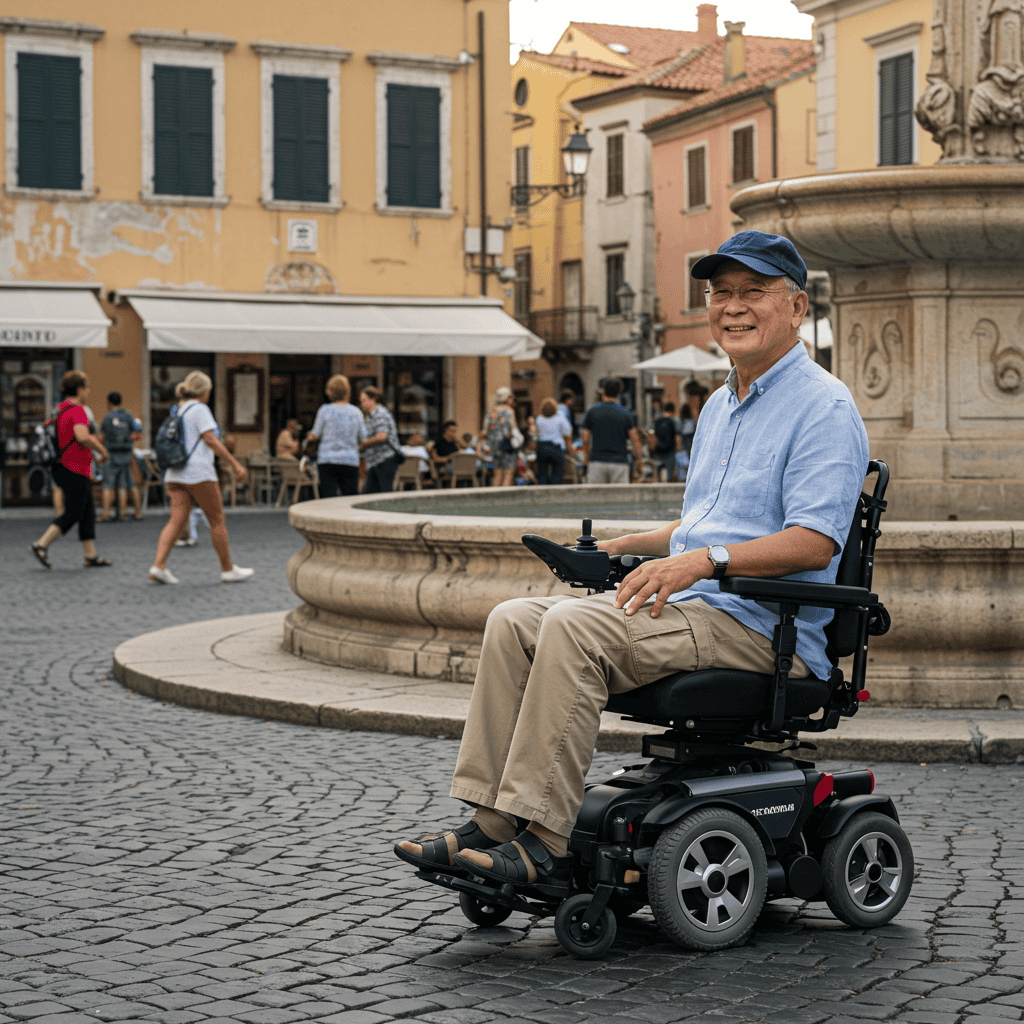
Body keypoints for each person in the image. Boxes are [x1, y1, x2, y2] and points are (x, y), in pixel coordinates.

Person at [395, 230, 870, 892]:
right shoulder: (720, 405)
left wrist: (701, 562)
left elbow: (814, 542)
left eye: (752, 292)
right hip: (700, 607)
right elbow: (708, 525)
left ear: (796, 307)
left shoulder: (824, 405)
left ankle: (545, 843)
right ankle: (493, 821)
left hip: (762, 627)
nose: (732, 306)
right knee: (513, 618)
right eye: (720, 292)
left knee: (572, 627)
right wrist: (623, 549)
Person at [148, 371, 252, 585]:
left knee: (176, 520)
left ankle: (159, 565)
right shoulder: (200, 409)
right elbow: (211, 440)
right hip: (198, 473)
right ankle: (227, 569)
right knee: (217, 520)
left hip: (175, 472)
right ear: (205, 392)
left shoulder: (179, 409)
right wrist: (235, 464)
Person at [29, 370, 112, 569]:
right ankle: (41, 545)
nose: (89, 391)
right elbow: (82, 436)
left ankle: (90, 556)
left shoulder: (59, 409)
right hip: (72, 466)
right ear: (80, 389)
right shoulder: (77, 410)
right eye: (87, 387)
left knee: (87, 511)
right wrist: (102, 450)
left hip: (65, 466)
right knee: (74, 511)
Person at [306, 376, 366, 498]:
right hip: (350, 459)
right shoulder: (356, 412)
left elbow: (314, 435)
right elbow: (363, 437)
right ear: (347, 391)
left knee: (328, 499)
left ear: (330, 392)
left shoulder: (325, 410)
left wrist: (309, 436)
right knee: (349, 499)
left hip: (327, 459)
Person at [581, 378, 643, 485]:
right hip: (619, 462)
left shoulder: (592, 412)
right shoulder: (625, 414)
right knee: (619, 498)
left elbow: (585, 438)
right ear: (618, 393)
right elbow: (635, 439)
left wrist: (586, 459)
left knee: (596, 498)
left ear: (603, 391)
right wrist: (639, 460)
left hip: (597, 461)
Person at [98, 391, 143, 522]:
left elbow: (101, 437)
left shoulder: (107, 418)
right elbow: (138, 435)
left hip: (112, 454)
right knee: (125, 484)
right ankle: (127, 512)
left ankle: (106, 513)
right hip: (126, 454)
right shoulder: (128, 416)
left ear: (108, 403)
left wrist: (100, 450)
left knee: (108, 484)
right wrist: (128, 439)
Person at [358, 386, 402, 493]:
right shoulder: (370, 416)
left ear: (373, 400)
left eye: (364, 401)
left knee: (383, 493)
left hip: (384, 459)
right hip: (375, 461)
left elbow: (381, 436)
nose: (361, 404)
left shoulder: (380, 413)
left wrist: (362, 445)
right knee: (370, 493)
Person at [478, 387, 517, 488]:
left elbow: (485, 431)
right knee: (508, 473)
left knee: (497, 473)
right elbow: (513, 429)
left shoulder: (491, 412)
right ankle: (505, 499)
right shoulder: (509, 411)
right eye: (510, 397)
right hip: (507, 445)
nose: (512, 400)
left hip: (494, 447)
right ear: (506, 398)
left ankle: (494, 499)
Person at [534, 398, 573, 486]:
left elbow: (536, 433)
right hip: (556, 446)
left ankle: (542, 491)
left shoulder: (539, 419)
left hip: (542, 446)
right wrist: (569, 447)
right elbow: (567, 433)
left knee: (542, 472)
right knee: (557, 473)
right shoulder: (560, 418)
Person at [651, 400, 682, 483]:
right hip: (670, 451)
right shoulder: (675, 420)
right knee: (669, 475)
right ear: (673, 410)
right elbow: (677, 436)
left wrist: (652, 448)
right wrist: (679, 448)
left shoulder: (657, 420)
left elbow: (653, 435)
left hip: (658, 451)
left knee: (657, 474)